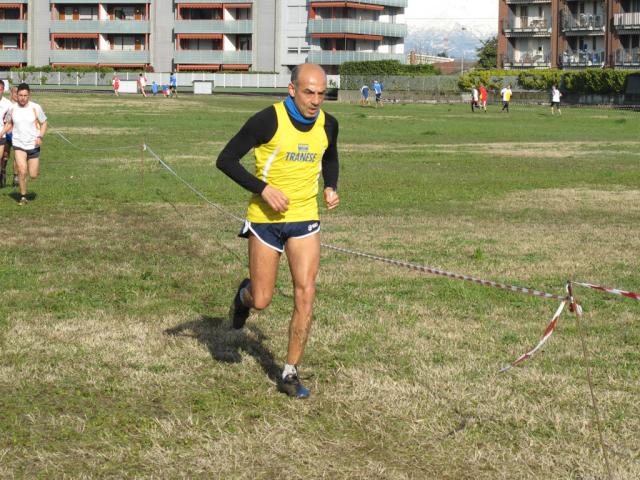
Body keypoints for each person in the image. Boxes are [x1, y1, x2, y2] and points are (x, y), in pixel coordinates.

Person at [216, 63, 340, 399]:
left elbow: (329, 157)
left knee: (306, 292)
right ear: (292, 89)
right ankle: (243, 296)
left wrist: (330, 186)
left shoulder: (329, 123)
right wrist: (263, 188)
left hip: (304, 217)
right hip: (265, 220)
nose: (315, 100)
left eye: (321, 93)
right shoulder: (267, 120)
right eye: (308, 92)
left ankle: (289, 372)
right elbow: (225, 160)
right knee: (262, 298)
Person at [0, 83, 47, 206]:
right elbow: (9, 123)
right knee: (21, 171)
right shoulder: (12, 108)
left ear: (29, 95)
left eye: (25, 95)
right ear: (17, 95)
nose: (22, 98)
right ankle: (23, 196)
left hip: (33, 144)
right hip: (19, 144)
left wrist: (40, 136)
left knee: (33, 175)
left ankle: (29, 169)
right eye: (20, 95)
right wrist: (2, 133)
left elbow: (44, 123)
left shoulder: (36, 107)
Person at [0, 81, 12, 188]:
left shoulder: (8, 104)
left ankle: (2, 173)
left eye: (0, 89)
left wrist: (3, 132)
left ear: (3, 90)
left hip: (1, 135)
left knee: (1, 158)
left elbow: (9, 121)